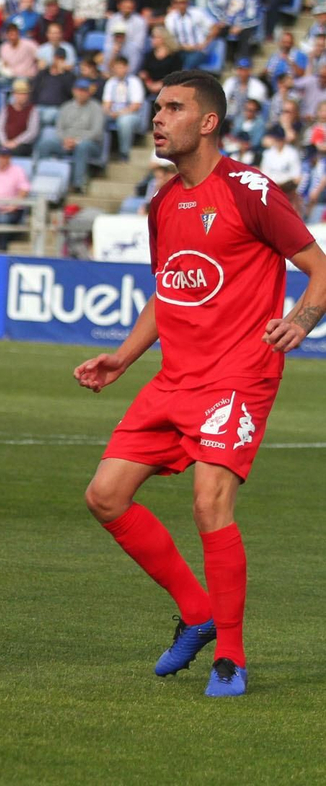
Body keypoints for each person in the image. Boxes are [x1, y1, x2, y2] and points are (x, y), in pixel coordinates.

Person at [77, 70, 326, 699]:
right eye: (157, 107)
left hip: (239, 376)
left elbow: (319, 268)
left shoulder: (250, 190)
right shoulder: (163, 201)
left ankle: (231, 659)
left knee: (210, 503)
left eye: (173, 108)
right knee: (105, 496)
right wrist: (123, 358)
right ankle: (197, 613)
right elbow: (168, 291)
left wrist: (300, 321)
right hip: (175, 377)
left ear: (208, 122)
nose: (157, 118)